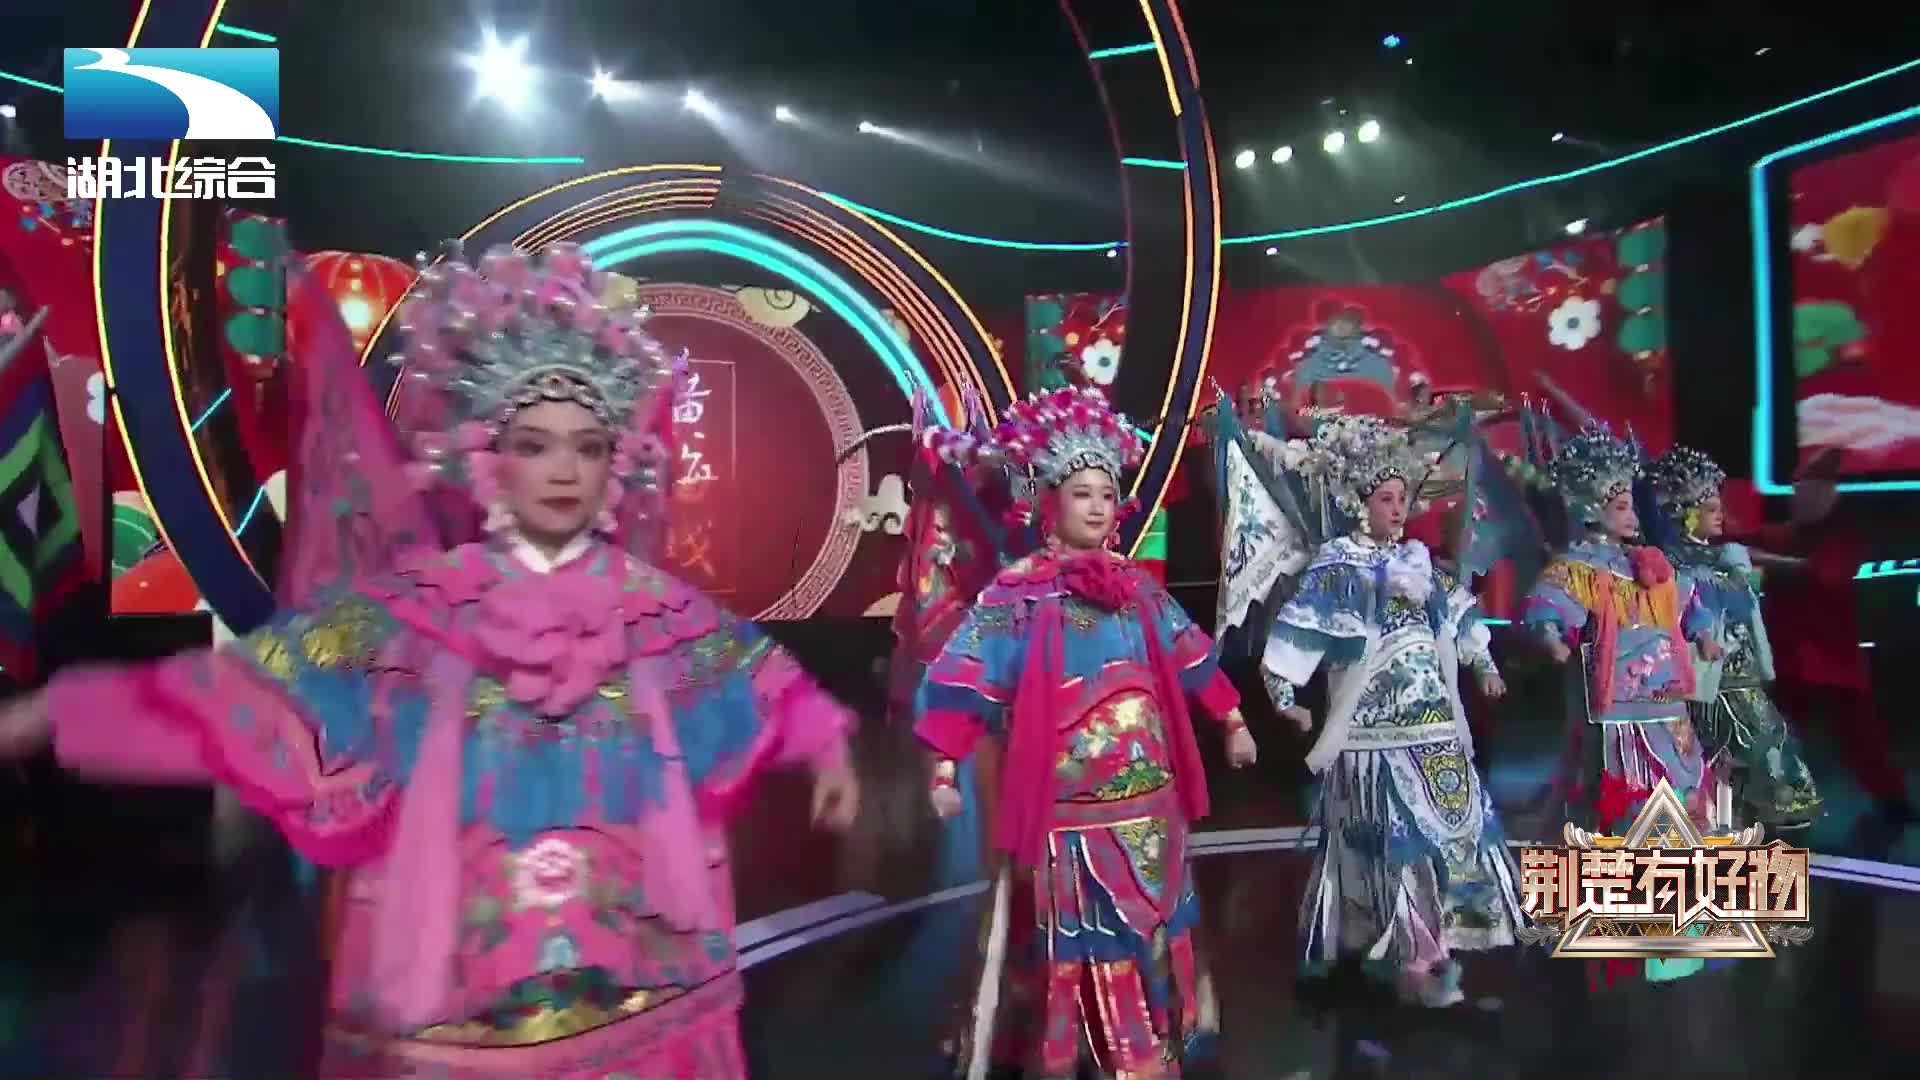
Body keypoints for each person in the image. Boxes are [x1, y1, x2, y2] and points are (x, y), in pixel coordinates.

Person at [0, 244, 861, 1079]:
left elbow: (760, 683)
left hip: (636, 966)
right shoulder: (417, 607)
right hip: (458, 976)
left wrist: (828, 753)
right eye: (535, 445)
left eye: (588, 446)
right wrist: (56, 714)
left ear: (616, 465)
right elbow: (242, 690)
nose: (564, 469)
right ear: (488, 460)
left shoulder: (657, 609)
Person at [914, 386, 1256, 1080]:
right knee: (1084, 940)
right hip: (1069, 816)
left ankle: (1154, 1044)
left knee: (1152, 925)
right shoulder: (1018, 593)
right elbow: (964, 678)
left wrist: (1233, 720)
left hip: (1151, 805)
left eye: (1107, 494)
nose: (1099, 506)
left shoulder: (1138, 588)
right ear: (1049, 502)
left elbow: (1189, 653)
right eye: (1082, 494)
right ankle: (1100, 1053)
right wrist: (945, 767)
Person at [1257, 415, 1521, 1008]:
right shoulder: (1338, 567)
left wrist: (1484, 664)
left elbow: (1460, 617)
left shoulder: (1420, 563)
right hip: (1373, 737)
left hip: (1436, 728)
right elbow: (1298, 632)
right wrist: (1285, 699)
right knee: (1394, 847)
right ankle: (1413, 956)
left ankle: (1444, 944)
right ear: (1360, 503)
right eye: (1386, 499)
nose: (1398, 509)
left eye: (1403, 498)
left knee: (1456, 831)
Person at [1524, 423, 1726, 986]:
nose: (1632, 514)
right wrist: (1549, 635)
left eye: (1631, 503)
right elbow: (1545, 607)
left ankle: (1676, 932)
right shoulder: (1578, 568)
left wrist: (1704, 631)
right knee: (1626, 811)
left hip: (1669, 713)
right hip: (1617, 721)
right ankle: (1622, 929)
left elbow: (1689, 601)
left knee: (1682, 808)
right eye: (1619, 505)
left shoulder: (1651, 563)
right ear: (1592, 509)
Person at [1645, 446, 1821, 830]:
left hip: (1742, 673)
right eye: (1710, 509)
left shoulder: (1728, 556)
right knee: (1719, 754)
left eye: (1718, 508)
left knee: (1759, 744)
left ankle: (1739, 822)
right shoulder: (1671, 563)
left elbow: (1748, 609)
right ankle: (1719, 825)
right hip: (1706, 677)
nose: (1720, 515)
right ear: (1686, 514)